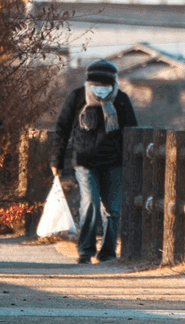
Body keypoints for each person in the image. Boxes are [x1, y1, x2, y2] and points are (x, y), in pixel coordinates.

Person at [51, 58, 137, 263]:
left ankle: (108, 252)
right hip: (85, 160)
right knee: (90, 203)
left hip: (114, 162)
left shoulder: (121, 100)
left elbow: (132, 132)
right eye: (96, 85)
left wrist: (130, 162)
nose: (100, 90)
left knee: (112, 209)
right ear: (88, 83)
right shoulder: (78, 97)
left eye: (105, 86)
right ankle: (86, 250)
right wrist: (57, 160)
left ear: (114, 84)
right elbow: (62, 128)